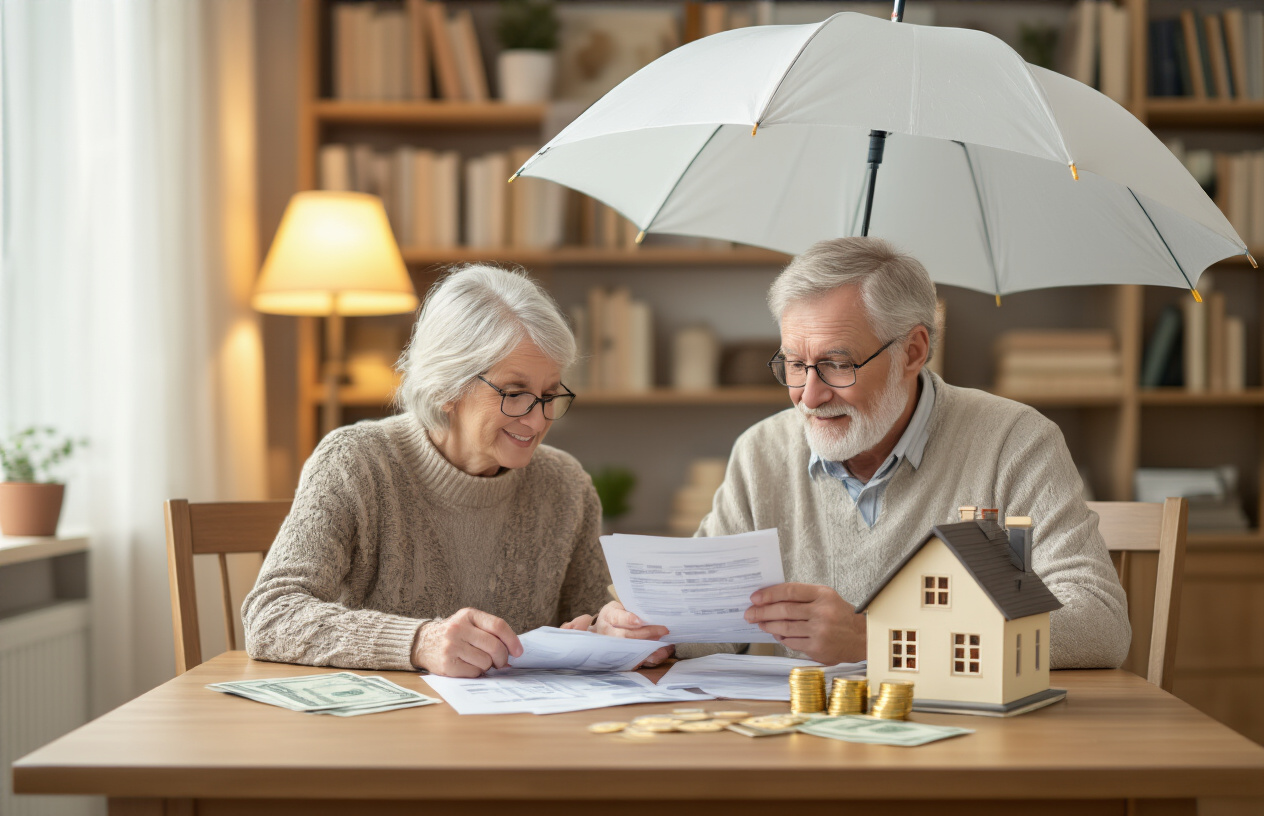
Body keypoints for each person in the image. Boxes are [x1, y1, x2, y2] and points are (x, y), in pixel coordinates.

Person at [583, 237, 1130, 669]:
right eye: (794, 365)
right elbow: (712, 628)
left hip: (962, 747)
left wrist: (879, 639)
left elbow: (1100, 626)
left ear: (913, 350)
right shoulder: (762, 451)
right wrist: (651, 633)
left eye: (837, 364)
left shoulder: (1015, 441)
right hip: (799, 750)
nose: (809, 396)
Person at [243, 264, 615, 677]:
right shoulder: (355, 463)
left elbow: (592, 618)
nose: (537, 420)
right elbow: (271, 616)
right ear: (445, 387)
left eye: (549, 394)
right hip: (388, 729)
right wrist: (419, 642)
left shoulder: (566, 486)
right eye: (514, 393)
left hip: (519, 728)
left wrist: (609, 631)